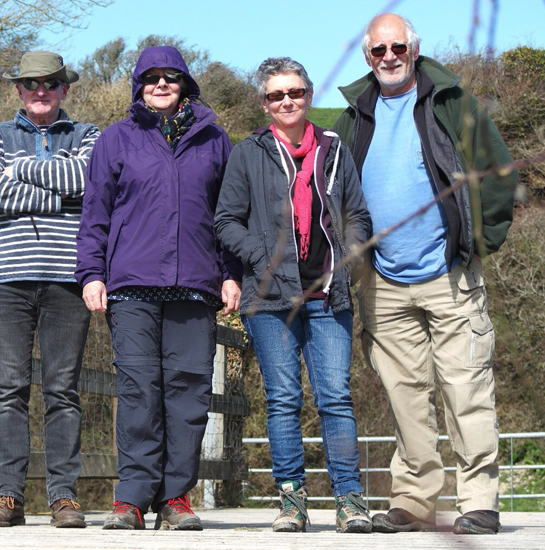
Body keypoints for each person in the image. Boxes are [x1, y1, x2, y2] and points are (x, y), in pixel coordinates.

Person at [332, 13, 518, 535]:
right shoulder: (352, 116)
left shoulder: (453, 103)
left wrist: (477, 242)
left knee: (467, 388)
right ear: (367, 56)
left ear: (414, 49)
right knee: (404, 395)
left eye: (397, 47)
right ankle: (414, 500)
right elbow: (337, 192)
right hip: (382, 280)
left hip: (449, 272)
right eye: (377, 51)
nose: (388, 57)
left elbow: (500, 177)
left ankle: (478, 498)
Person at [75, 46, 242, 531]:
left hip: (196, 283)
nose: (162, 84)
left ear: (186, 83)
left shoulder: (215, 140)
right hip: (131, 285)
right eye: (151, 77)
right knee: (137, 390)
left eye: (171, 76)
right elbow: (96, 214)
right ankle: (131, 498)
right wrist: (91, 273)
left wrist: (230, 272)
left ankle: (176, 498)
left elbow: (228, 215)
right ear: (138, 84)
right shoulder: (115, 139)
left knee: (188, 393)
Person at [215, 57, 373, 534]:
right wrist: (261, 256)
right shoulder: (249, 152)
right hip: (269, 296)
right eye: (276, 95)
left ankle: (350, 500)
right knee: (283, 399)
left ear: (308, 94)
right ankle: (291, 502)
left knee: (336, 398)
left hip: (329, 293)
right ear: (264, 102)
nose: (287, 101)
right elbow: (225, 220)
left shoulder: (335, 148)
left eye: (295, 92)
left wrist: (349, 256)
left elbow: (357, 214)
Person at [0, 51, 100, 528]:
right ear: (19, 90)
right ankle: (9, 496)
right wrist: (59, 195)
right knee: (9, 388)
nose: (40, 91)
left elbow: (87, 180)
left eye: (50, 83)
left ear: (65, 88)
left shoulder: (88, 136)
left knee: (62, 390)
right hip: (6, 279)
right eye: (30, 83)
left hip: (69, 279)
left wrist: (18, 170)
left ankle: (63, 495)